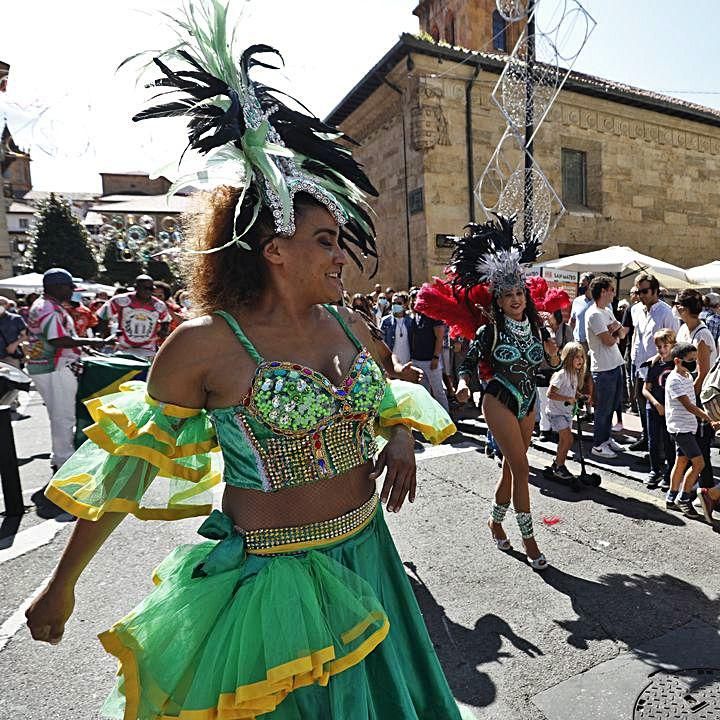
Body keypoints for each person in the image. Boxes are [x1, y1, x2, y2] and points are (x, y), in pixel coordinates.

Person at [26, 20, 469, 720]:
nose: (340, 258)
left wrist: (403, 437)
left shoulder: (353, 327)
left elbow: (390, 394)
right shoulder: (204, 346)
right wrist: (62, 583)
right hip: (270, 583)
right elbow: (126, 473)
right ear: (273, 249)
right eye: (326, 240)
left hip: (369, 558)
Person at [452, 216, 560, 570]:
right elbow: (468, 363)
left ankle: (495, 521)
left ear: (525, 295)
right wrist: (465, 384)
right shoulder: (490, 330)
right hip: (499, 399)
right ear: (497, 300)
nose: (514, 299)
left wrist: (554, 354)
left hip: (530, 400)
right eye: (508, 295)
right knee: (522, 466)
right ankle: (529, 541)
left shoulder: (536, 325)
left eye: (518, 293)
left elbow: (551, 364)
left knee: (512, 471)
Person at [25, 269, 108, 472]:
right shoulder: (47, 308)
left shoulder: (51, 306)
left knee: (62, 414)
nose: (73, 291)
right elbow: (58, 340)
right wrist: (94, 341)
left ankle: (59, 456)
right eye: (70, 287)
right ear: (55, 287)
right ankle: (64, 461)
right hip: (52, 367)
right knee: (63, 416)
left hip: (52, 366)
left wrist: (85, 347)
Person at [664, 342, 720, 516]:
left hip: (688, 427)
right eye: (690, 360)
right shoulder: (674, 380)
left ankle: (671, 497)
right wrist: (709, 417)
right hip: (680, 429)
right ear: (677, 361)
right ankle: (684, 498)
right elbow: (688, 406)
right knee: (699, 463)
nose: (694, 362)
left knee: (681, 462)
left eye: (695, 359)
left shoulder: (687, 376)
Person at [629, 273, 678, 451]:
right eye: (638, 291)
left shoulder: (665, 312)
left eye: (645, 291)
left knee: (658, 410)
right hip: (640, 367)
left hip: (659, 370)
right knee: (641, 404)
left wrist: (662, 362)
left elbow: (673, 341)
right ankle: (647, 439)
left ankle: (660, 450)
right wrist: (634, 359)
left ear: (655, 291)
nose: (641, 295)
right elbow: (638, 336)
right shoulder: (638, 310)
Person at [675, 289, 718, 491]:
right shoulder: (684, 329)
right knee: (689, 445)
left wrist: (686, 400)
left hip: (698, 398)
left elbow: (702, 374)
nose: (674, 307)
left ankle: (707, 489)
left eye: (676, 304)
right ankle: (691, 484)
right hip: (687, 396)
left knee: (701, 446)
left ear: (683, 308)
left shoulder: (702, 335)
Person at [584, 276, 628, 459]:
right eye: (611, 289)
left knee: (611, 406)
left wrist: (616, 330)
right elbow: (609, 340)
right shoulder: (594, 314)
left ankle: (606, 438)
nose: (614, 293)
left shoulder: (607, 310)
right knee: (603, 408)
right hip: (603, 369)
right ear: (603, 291)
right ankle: (598, 445)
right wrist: (615, 330)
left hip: (615, 365)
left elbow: (623, 333)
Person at [96, 274, 171, 359]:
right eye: (145, 288)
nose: (148, 291)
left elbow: (166, 321)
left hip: (148, 350)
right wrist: (106, 335)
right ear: (136, 288)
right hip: (123, 349)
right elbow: (102, 315)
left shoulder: (159, 305)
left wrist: (162, 332)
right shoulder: (120, 300)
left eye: (151, 289)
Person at [545, 342, 586, 482]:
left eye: (581, 357)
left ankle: (557, 463)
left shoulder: (574, 374)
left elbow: (572, 391)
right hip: (556, 413)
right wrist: (567, 398)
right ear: (568, 358)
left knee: (564, 441)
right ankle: (559, 466)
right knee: (568, 439)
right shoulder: (561, 375)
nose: (580, 360)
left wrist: (580, 396)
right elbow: (550, 394)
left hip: (566, 413)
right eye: (576, 357)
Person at [641, 329, 676, 490]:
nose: (662, 350)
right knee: (653, 442)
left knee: (669, 443)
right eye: (659, 347)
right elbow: (645, 389)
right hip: (654, 409)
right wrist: (656, 404)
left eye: (665, 346)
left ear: (672, 345)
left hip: (671, 411)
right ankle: (655, 470)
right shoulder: (655, 364)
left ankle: (669, 473)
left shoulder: (676, 365)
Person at [410, 296, 449, 412]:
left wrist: (436, 357)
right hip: (417, 360)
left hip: (431, 361)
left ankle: (447, 422)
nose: (414, 301)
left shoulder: (433, 316)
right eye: (412, 299)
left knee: (438, 392)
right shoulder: (415, 316)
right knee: (423, 392)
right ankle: (428, 420)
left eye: (416, 298)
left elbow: (439, 337)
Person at [0, 296, 29, 419]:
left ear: (6, 305)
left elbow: (25, 335)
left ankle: (12, 407)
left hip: (10, 355)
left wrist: (14, 344)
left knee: (13, 382)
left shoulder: (15, 319)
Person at [380, 292, 413, 365]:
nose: (395, 305)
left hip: (408, 361)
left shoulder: (410, 321)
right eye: (393, 303)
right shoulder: (385, 321)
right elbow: (380, 342)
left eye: (398, 303)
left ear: (405, 305)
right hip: (391, 362)